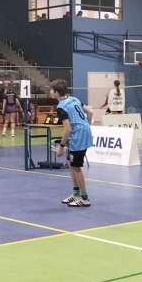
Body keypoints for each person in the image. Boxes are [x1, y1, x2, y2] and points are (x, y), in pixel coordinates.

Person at [51, 79, 94, 207]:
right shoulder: (74, 99)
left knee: (76, 167)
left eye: (51, 90)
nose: (50, 92)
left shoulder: (61, 107)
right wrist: (87, 125)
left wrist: (61, 146)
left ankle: (84, 198)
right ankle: (76, 194)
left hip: (78, 136)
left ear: (56, 92)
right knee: (71, 163)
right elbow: (90, 112)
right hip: (83, 131)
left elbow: (67, 128)